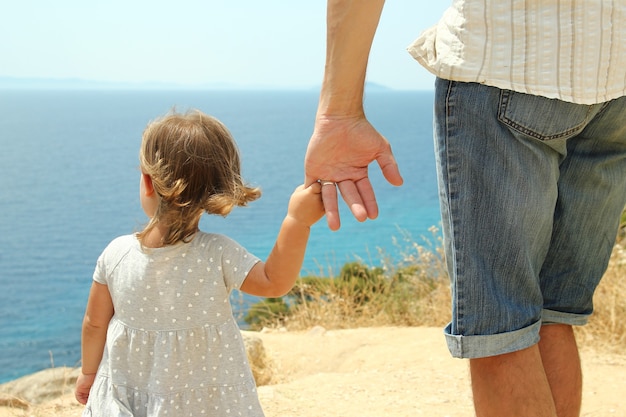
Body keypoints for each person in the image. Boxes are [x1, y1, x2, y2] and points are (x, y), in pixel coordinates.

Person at [305, 1, 626, 416]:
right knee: (552, 312)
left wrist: (338, 113)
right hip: (616, 80)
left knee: (500, 331)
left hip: (511, 58)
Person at [75, 110, 324, 416]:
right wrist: (297, 220)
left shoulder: (116, 254)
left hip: (128, 398)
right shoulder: (218, 253)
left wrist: (89, 373)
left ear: (148, 182)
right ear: (217, 188)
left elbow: (94, 323)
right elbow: (274, 282)